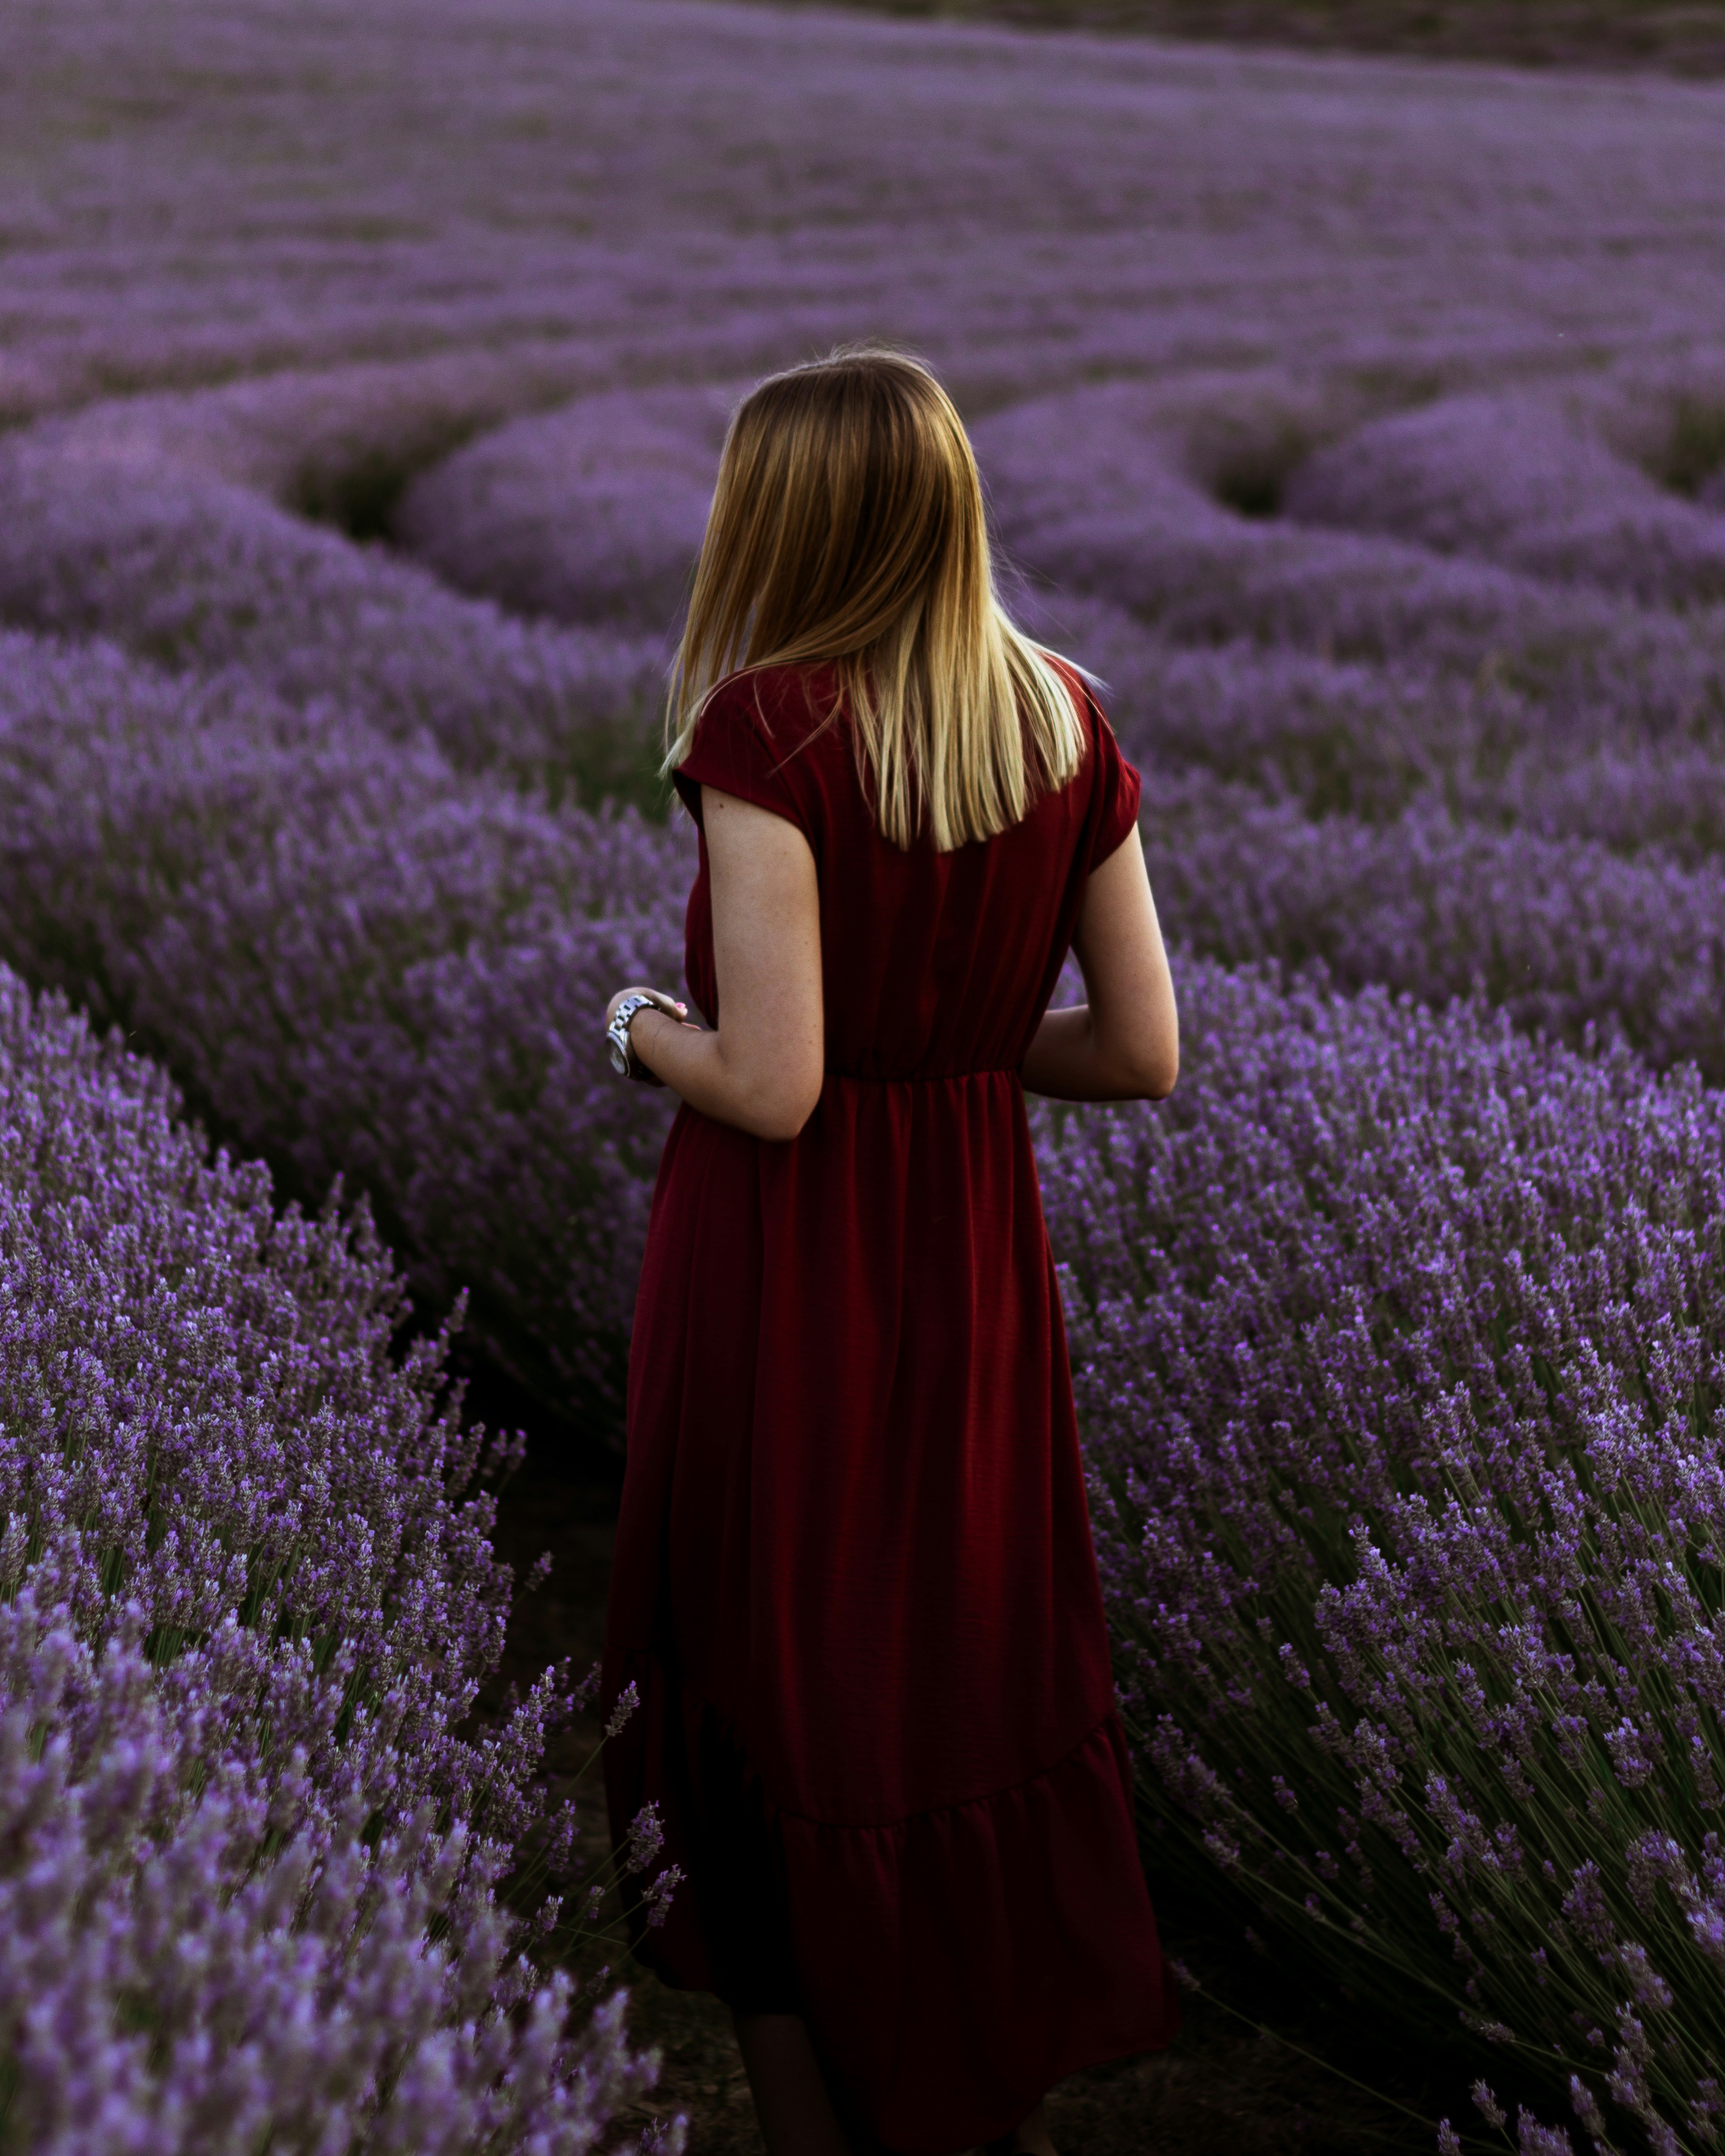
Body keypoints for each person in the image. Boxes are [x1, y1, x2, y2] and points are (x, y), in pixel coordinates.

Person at [600, 347, 1179, 2156]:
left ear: (782, 523)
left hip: (787, 1273)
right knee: (951, 1671)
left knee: (774, 1679)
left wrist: (637, 1028)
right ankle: (968, 2105)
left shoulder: (765, 734)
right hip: (972, 1264)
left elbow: (771, 1088)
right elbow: (1139, 1051)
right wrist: (950, 1044)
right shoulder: (1061, 721)